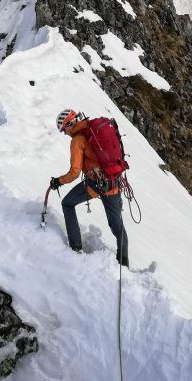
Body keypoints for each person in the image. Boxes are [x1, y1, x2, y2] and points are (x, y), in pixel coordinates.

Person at [50, 109, 129, 267]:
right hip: (114, 180)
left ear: (70, 124)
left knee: (67, 204)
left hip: (96, 183)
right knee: (117, 225)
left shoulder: (77, 140)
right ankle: (124, 263)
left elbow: (74, 172)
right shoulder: (92, 129)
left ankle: (75, 247)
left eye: (64, 130)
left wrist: (59, 181)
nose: (65, 133)